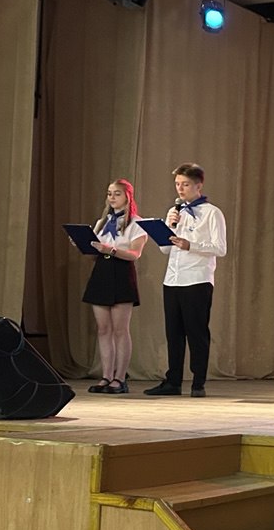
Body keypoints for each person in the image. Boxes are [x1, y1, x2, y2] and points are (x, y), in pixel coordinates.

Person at [144, 163, 227, 398]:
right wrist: (167, 228)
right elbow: (165, 250)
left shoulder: (212, 213)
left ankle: (198, 382)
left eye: (185, 184)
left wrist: (191, 245)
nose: (180, 189)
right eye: (178, 184)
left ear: (198, 185)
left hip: (197, 279)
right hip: (173, 279)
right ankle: (173, 381)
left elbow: (220, 248)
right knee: (174, 334)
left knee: (197, 333)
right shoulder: (175, 211)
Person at [80, 179, 147, 395]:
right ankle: (106, 376)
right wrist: (85, 245)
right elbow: (94, 255)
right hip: (102, 273)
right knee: (103, 329)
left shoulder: (136, 223)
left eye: (117, 193)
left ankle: (120, 377)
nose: (112, 197)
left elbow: (135, 254)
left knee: (120, 329)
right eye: (109, 193)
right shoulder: (102, 222)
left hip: (121, 273)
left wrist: (110, 250)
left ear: (127, 196)